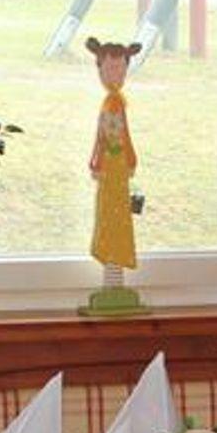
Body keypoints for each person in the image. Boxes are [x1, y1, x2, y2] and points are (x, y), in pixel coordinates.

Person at [86, 38, 142, 272]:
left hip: (118, 166)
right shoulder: (110, 103)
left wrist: (130, 157)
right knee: (108, 210)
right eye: (109, 69)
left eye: (120, 70)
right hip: (110, 166)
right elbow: (102, 136)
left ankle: (117, 257)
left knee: (118, 209)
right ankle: (109, 254)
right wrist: (97, 160)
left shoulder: (116, 102)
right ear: (100, 69)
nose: (115, 75)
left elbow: (123, 133)